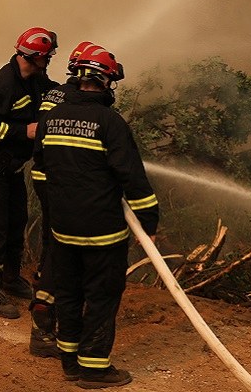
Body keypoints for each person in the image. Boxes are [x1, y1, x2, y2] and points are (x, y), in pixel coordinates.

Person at [30, 43, 158, 388]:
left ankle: (70, 361)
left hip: (63, 229)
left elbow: (41, 168)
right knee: (102, 296)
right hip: (103, 233)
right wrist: (150, 224)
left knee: (69, 293)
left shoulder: (51, 119)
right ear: (105, 83)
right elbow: (132, 178)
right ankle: (95, 368)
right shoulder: (110, 123)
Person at [0, 27, 59, 319]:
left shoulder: (33, 77)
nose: (49, 61)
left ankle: (10, 278)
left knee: (16, 222)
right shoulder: (4, 85)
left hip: (11, 167)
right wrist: (26, 130)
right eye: (47, 57)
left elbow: (51, 88)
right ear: (34, 57)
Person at [28, 40, 96, 359]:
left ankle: (45, 288)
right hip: (61, 180)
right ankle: (45, 317)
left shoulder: (54, 93)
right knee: (63, 245)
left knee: (52, 238)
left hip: (44, 173)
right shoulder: (77, 100)